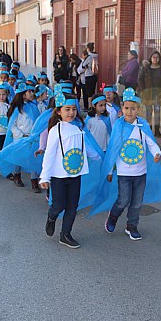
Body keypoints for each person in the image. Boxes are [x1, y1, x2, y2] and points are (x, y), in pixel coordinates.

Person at [98, 88, 161, 240]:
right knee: (124, 199)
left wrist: (157, 153)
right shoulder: (119, 127)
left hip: (141, 171)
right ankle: (113, 215)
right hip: (124, 172)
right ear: (122, 109)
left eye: (133, 109)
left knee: (137, 202)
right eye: (126, 108)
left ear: (138, 109)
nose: (129, 112)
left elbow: (151, 143)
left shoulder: (143, 126)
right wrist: (109, 170)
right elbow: (114, 149)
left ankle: (132, 226)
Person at [39, 93, 101, 248]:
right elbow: (50, 154)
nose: (71, 113)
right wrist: (44, 177)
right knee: (58, 205)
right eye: (67, 109)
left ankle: (65, 234)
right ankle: (51, 217)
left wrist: (103, 160)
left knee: (73, 206)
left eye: (74, 109)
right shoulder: (55, 131)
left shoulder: (78, 129)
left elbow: (88, 149)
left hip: (75, 175)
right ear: (59, 111)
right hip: (59, 176)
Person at [6, 83, 40, 189]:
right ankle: (17, 175)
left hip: (32, 137)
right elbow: (11, 124)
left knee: (33, 157)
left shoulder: (33, 106)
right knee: (19, 157)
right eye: (29, 91)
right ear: (23, 94)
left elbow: (37, 121)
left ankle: (34, 180)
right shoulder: (17, 108)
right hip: (20, 137)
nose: (32, 93)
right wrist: (21, 134)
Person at [137, 51, 161, 137]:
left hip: (158, 93)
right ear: (150, 58)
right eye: (153, 57)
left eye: (157, 57)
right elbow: (140, 79)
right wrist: (143, 90)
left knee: (157, 112)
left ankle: (157, 130)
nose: (155, 59)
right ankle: (149, 129)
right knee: (148, 112)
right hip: (148, 94)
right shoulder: (146, 67)